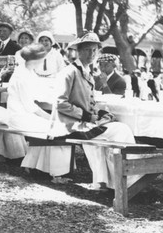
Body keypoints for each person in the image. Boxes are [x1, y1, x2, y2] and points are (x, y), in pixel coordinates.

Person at [52, 31, 136, 190]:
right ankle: (129, 178)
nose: (91, 54)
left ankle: (105, 182)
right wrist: (87, 116)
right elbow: (60, 103)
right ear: (78, 51)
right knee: (122, 130)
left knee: (110, 131)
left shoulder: (87, 73)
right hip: (70, 125)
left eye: (94, 50)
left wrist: (102, 114)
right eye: (87, 50)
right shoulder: (69, 72)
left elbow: (89, 102)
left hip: (82, 123)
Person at [7, 44, 72, 182]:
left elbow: (39, 93)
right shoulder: (21, 76)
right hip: (19, 117)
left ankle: (32, 165)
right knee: (58, 129)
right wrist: (51, 118)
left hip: (25, 114)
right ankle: (57, 173)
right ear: (36, 60)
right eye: (43, 60)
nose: (43, 63)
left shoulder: (29, 72)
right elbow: (30, 106)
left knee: (53, 128)